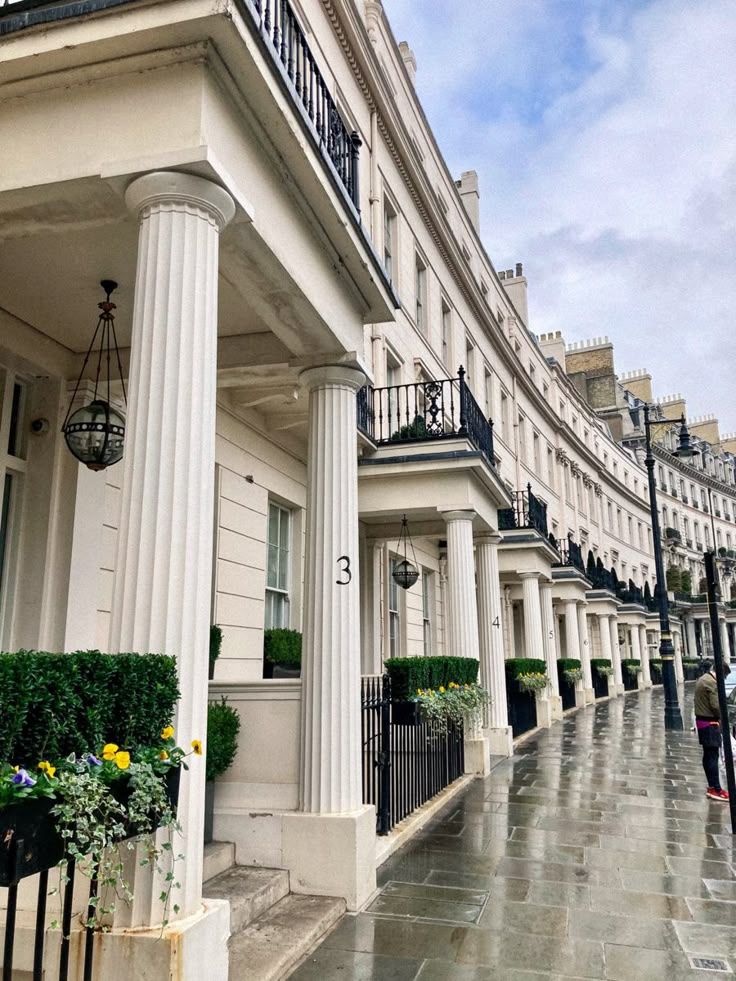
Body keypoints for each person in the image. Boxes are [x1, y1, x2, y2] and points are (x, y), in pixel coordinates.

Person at [694, 659, 731, 801]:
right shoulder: (711, 683)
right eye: (725, 677)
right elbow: (716, 706)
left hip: (702, 722)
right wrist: (723, 716)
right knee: (712, 756)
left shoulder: (703, 679)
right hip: (710, 724)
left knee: (708, 755)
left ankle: (712, 786)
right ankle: (716, 788)